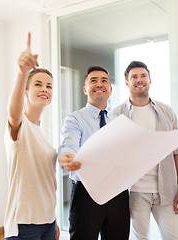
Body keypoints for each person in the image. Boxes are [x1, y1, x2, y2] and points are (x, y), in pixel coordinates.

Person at [112, 61, 178, 240]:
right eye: (134, 77)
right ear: (127, 83)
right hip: (136, 192)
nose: (139, 80)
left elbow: (177, 152)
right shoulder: (117, 114)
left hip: (167, 190)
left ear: (150, 80)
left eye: (143, 76)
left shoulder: (167, 112)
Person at [59, 66, 130, 240]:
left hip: (117, 192)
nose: (99, 84)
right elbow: (69, 143)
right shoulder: (74, 118)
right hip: (86, 193)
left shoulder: (119, 121)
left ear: (110, 89)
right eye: (93, 81)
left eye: (104, 81)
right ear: (85, 89)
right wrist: (68, 156)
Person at [3, 32, 60, 240]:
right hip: (24, 223)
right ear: (25, 92)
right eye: (38, 84)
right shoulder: (21, 125)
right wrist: (22, 73)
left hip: (47, 221)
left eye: (49, 86)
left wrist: (53, 219)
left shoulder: (43, 132)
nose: (44, 89)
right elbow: (13, 113)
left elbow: (46, 182)